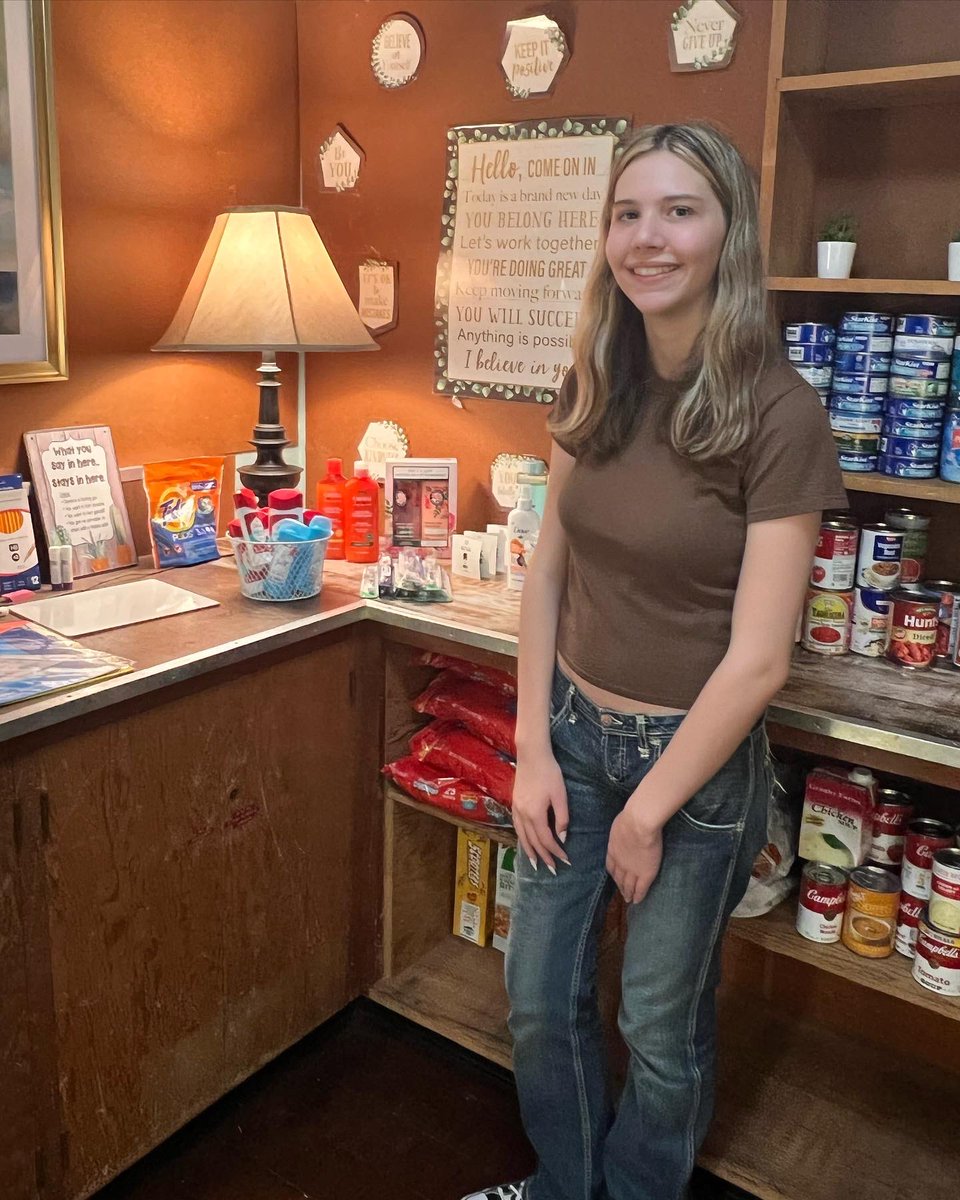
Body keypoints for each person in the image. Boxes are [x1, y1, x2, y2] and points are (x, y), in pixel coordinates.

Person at [462, 123, 847, 1200]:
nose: (648, 237)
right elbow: (546, 577)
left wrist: (646, 813)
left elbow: (760, 661)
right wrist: (533, 745)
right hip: (574, 740)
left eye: (680, 211)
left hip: (697, 768)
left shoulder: (778, 413)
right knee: (539, 993)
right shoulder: (594, 377)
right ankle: (562, 1183)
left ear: (729, 232)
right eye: (628, 213)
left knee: (658, 1024)